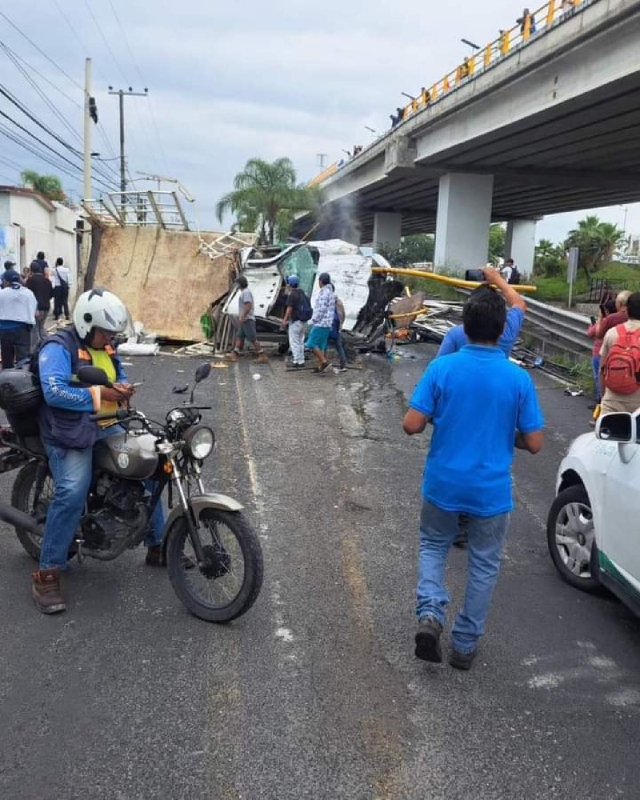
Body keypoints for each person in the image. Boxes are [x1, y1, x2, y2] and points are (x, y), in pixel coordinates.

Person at [403, 284, 543, 670]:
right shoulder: (517, 379)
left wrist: (441, 414)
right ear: (502, 331)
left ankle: (430, 615)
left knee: (434, 546)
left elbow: (411, 424)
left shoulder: (442, 368)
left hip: (443, 483)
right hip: (490, 492)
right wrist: (504, 432)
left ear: (463, 325)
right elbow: (534, 442)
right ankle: (464, 645)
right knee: (483, 564)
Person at [30, 288, 166, 614]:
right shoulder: (57, 347)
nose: (110, 339)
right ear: (85, 323)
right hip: (68, 432)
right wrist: (101, 393)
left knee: (149, 466)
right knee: (72, 491)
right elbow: (55, 392)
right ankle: (47, 573)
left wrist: (122, 387)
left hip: (105, 424)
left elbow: (117, 374)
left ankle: (158, 546)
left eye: (113, 334)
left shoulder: (104, 346)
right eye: (106, 332)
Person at [438, 266, 526, 358]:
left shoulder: (455, 335)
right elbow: (519, 304)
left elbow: (439, 364)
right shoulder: (507, 334)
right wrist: (497, 278)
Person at [599, 291, 640, 416]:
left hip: (611, 404)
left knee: (607, 435)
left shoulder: (612, 332)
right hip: (638, 408)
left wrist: (603, 398)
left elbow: (602, 370)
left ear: (627, 310)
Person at [0, 266, 37, 368]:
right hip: (22, 330)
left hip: (4, 330)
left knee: (7, 357)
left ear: (6, 282)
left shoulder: (2, 293)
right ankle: (22, 378)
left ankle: (6, 379)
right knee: (23, 358)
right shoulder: (28, 293)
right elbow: (33, 310)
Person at [227, 275, 267, 362]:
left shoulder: (246, 293)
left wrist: (243, 316)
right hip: (245, 320)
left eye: (237, 284)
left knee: (252, 339)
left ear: (240, 284)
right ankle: (234, 354)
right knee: (239, 336)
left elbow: (248, 305)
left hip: (247, 319)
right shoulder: (244, 292)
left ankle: (262, 355)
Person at [306, 272, 336, 374]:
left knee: (311, 343)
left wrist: (313, 320)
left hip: (321, 323)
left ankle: (324, 362)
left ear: (321, 281)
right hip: (327, 324)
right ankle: (320, 367)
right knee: (321, 345)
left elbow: (321, 309)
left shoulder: (324, 293)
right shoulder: (330, 292)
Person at [282, 275, 308, 368]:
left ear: (290, 284)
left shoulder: (292, 294)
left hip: (296, 321)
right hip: (304, 321)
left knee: (294, 341)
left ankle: (296, 360)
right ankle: (301, 360)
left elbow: (289, 308)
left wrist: (285, 320)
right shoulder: (303, 293)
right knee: (301, 341)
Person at [26, 264, 53, 344]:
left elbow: (28, 294)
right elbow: (51, 294)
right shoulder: (47, 280)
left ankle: (35, 349)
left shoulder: (31, 280)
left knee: (35, 329)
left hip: (36, 308)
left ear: (31, 270)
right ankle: (47, 343)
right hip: (46, 307)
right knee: (41, 327)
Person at [327, 290, 348, 372]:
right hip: (338, 328)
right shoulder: (339, 302)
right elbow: (343, 315)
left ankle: (323, 363)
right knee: (339, 346)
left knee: (323, 345)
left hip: (329, 327)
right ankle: (344, 365)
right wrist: (340, 325)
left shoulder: (329, 301)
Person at [52, 257, 71, 321]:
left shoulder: (54, 270)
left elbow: (53, 279)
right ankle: (67, 315)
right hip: (65, 287)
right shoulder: (67, 270)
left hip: (57, 287)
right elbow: (69, 278)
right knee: (65, 301)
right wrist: (68, 285)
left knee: (57, 302)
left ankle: (56, 315)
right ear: (62, 263)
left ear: (57, 262)